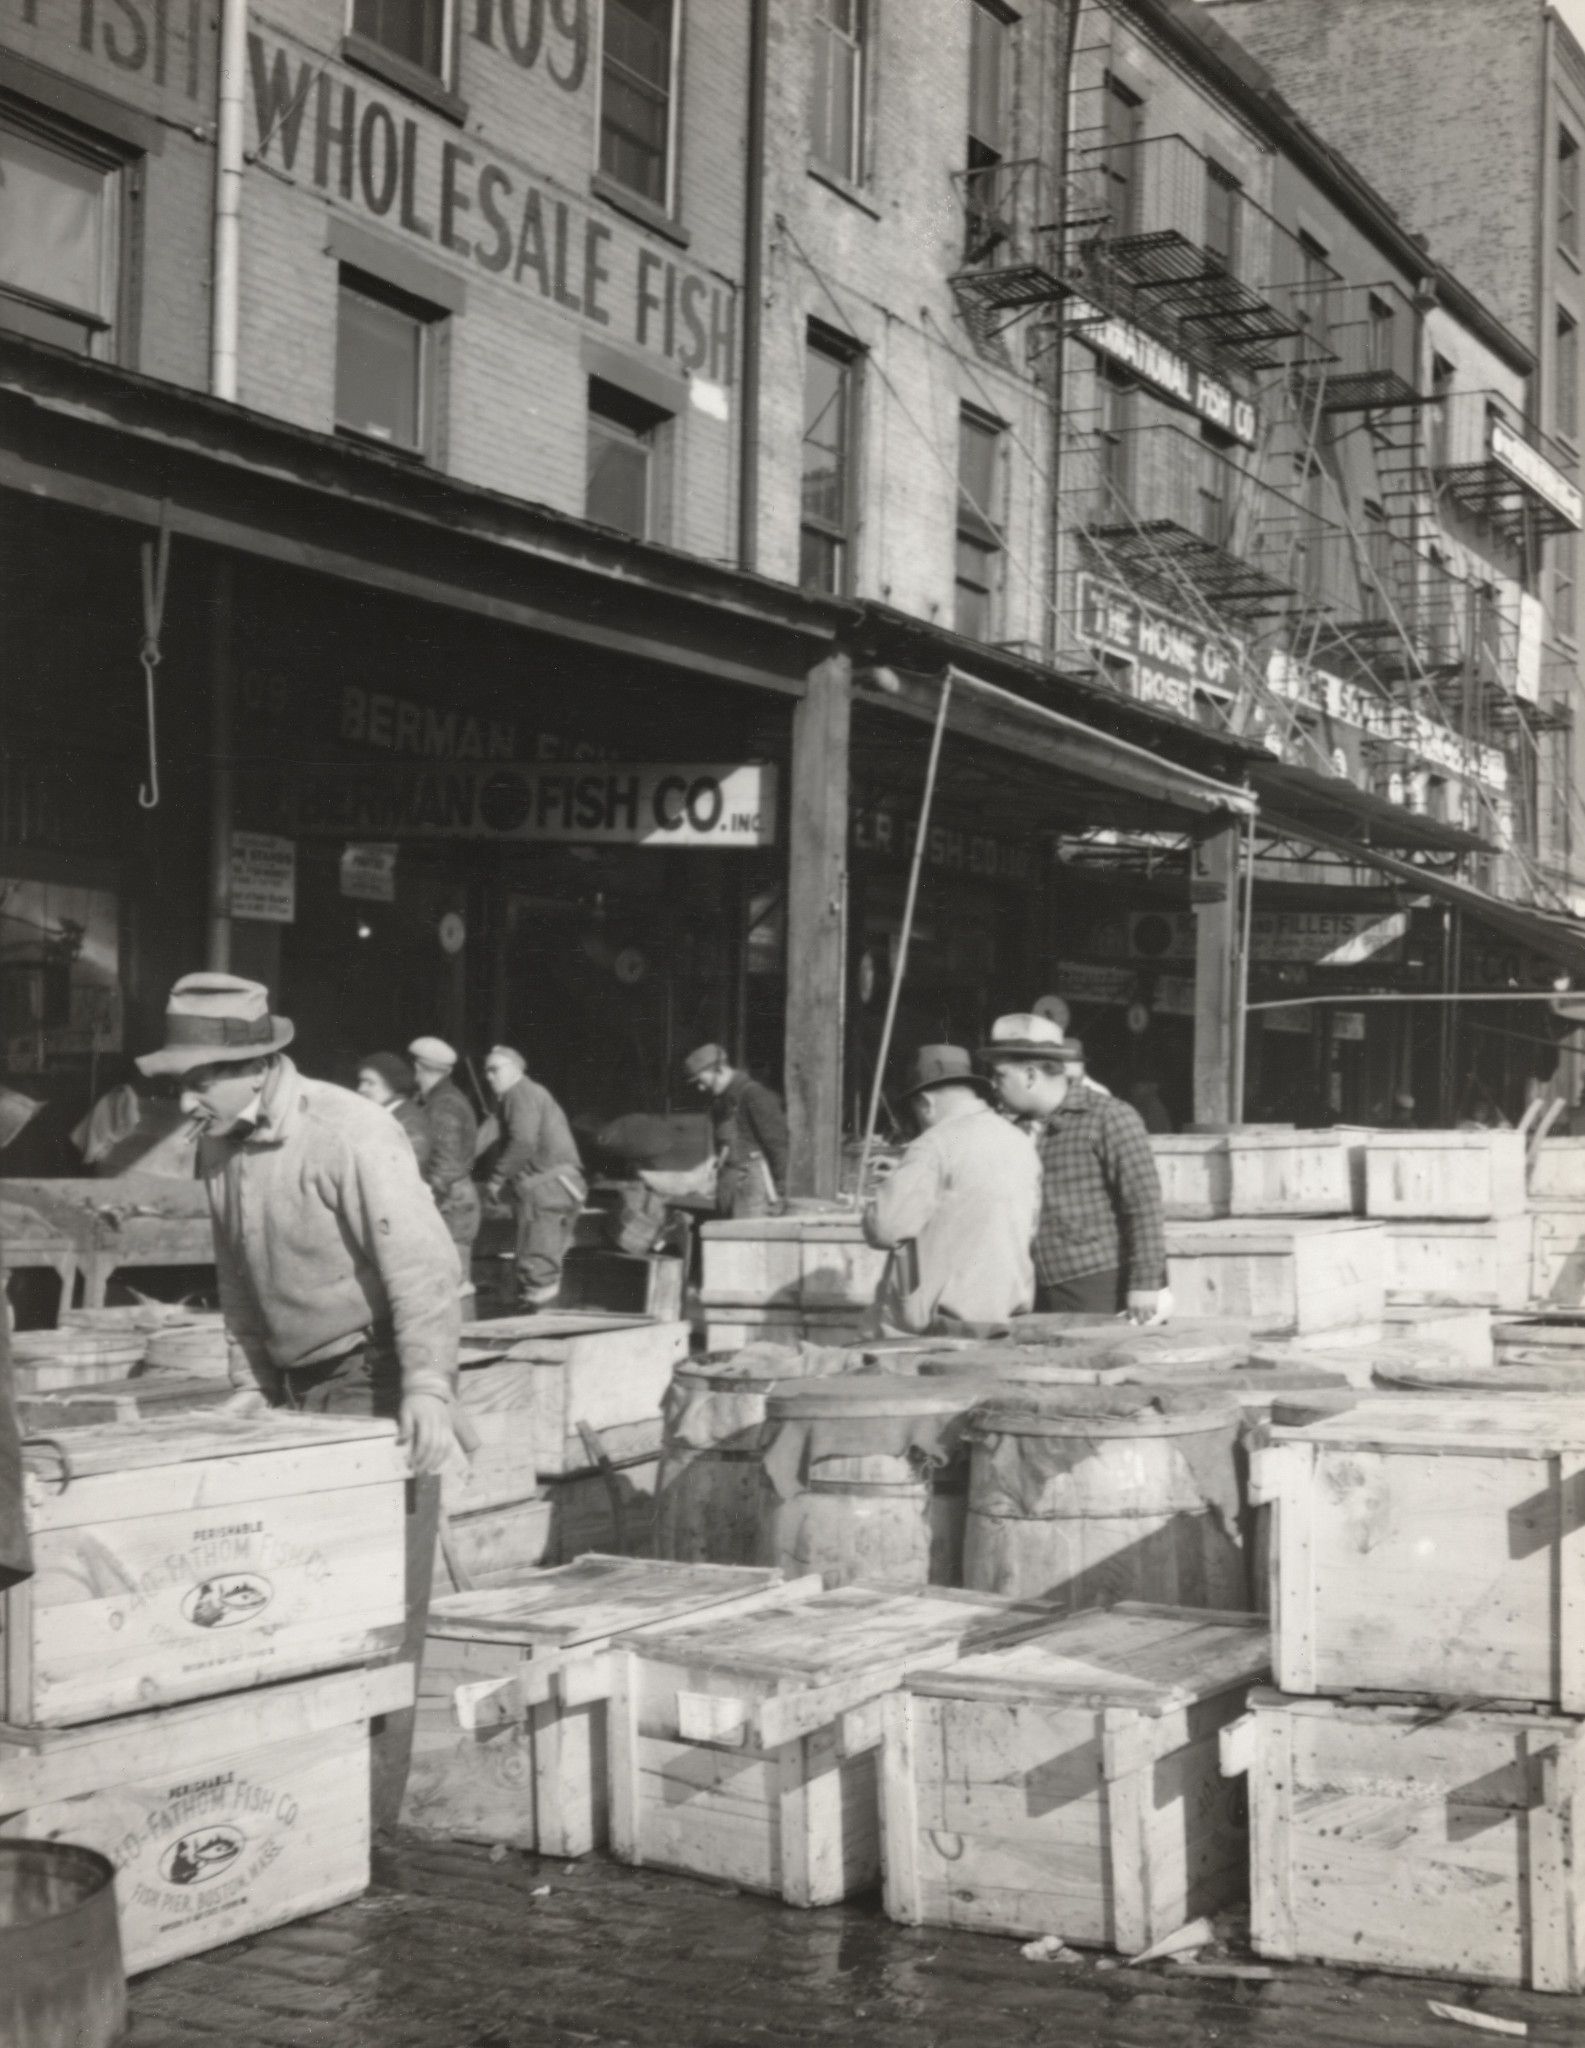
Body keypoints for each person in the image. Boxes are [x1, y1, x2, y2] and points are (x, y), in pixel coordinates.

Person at [136, 972, 461, 1827]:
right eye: (179, 1081)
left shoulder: (350, 1131)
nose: (186, 1097)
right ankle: (306, 1818)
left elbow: (422, 1264)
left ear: (257, 1062)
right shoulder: (218, 1140)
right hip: (288, 1390)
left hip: (371, 1376)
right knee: (295, 1605)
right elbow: (234, 1277)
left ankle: (368, 1825)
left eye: (199, 1078)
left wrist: (427, 1385)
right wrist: (249, 1386)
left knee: (376, 1611)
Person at [981, 1012, 1170, 1323]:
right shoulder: (1015, 1130)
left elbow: (1144, 1204)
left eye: (1000, 1075)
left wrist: (1145, 1284)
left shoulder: (1109, 1117)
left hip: (1098, 1285)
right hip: (1037, 1285)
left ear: (1030, 1075)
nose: (993, 1085)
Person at [863, 1044, 1040, 1334]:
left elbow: (885, 1228)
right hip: (1005, 1318)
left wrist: (886, 1194)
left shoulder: (934, 1144)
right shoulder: (1020, 1143)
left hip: (945, 1325)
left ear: (925, 1103)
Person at [482, 1045, 586, 1308]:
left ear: (516, 1070)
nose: (488, 1076)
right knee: (542, 1264)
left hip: (548, 1188)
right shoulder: (517, 1098)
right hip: (558, 1186)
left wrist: (496, 1178)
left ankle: (541, 1337)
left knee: (538, 1267)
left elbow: (523, 1142)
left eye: (494, 1069)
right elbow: (488, 1133)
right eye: (486, 1071)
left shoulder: (521, 1093)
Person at [684, 1042, 790, 1218]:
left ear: (718, 1069)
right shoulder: (721, 1102)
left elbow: (779, 1147)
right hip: (728, 1188)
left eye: (701, 1080)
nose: (700, 1088)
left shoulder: (754, 1095)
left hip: (753, 1194)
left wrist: (782, 1192)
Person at [407, 1036, 483, 1262]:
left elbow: (446, 1166)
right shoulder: (440, 1099)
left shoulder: (443, 1105)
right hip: (453, 1199)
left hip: (450, 1203)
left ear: (418, 1067)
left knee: (453, 1279)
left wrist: (424, 1200)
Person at [356, 1052, 432, 1169]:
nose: (361, 1089)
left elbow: (406, 1166)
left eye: (370, 1083)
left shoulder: (410, 1120)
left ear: (392, 1084)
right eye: (361, 1082)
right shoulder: (384, 1113)